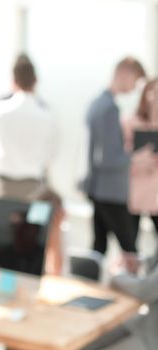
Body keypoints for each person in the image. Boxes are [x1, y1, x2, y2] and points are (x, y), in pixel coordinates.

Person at [82, 57, 146, 259]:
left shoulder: (97, 102)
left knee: (98, 249)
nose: (135, 88)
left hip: (97, 187)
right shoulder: (110, 108)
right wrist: (136, 157)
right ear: (124, 74)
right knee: (130, 249)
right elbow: (108, 157)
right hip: (110, 191)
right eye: (135, 81)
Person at [0, 54, 57, 202]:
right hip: (33, 187)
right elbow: (51, 154)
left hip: (1, 186)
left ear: (13, 80)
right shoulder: (47, 115)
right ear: (36, 81)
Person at [83, 251, 158, 350]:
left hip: (151, 337)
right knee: (87, 343)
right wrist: (140, 261)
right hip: (142, 321)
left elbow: (145, 290)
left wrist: (118, 275)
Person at [121, 78, 158, 239]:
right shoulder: (130, 122)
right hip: (134, 190)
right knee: (130, 240)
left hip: (155, 192)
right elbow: (119, 156)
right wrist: (138, 159)